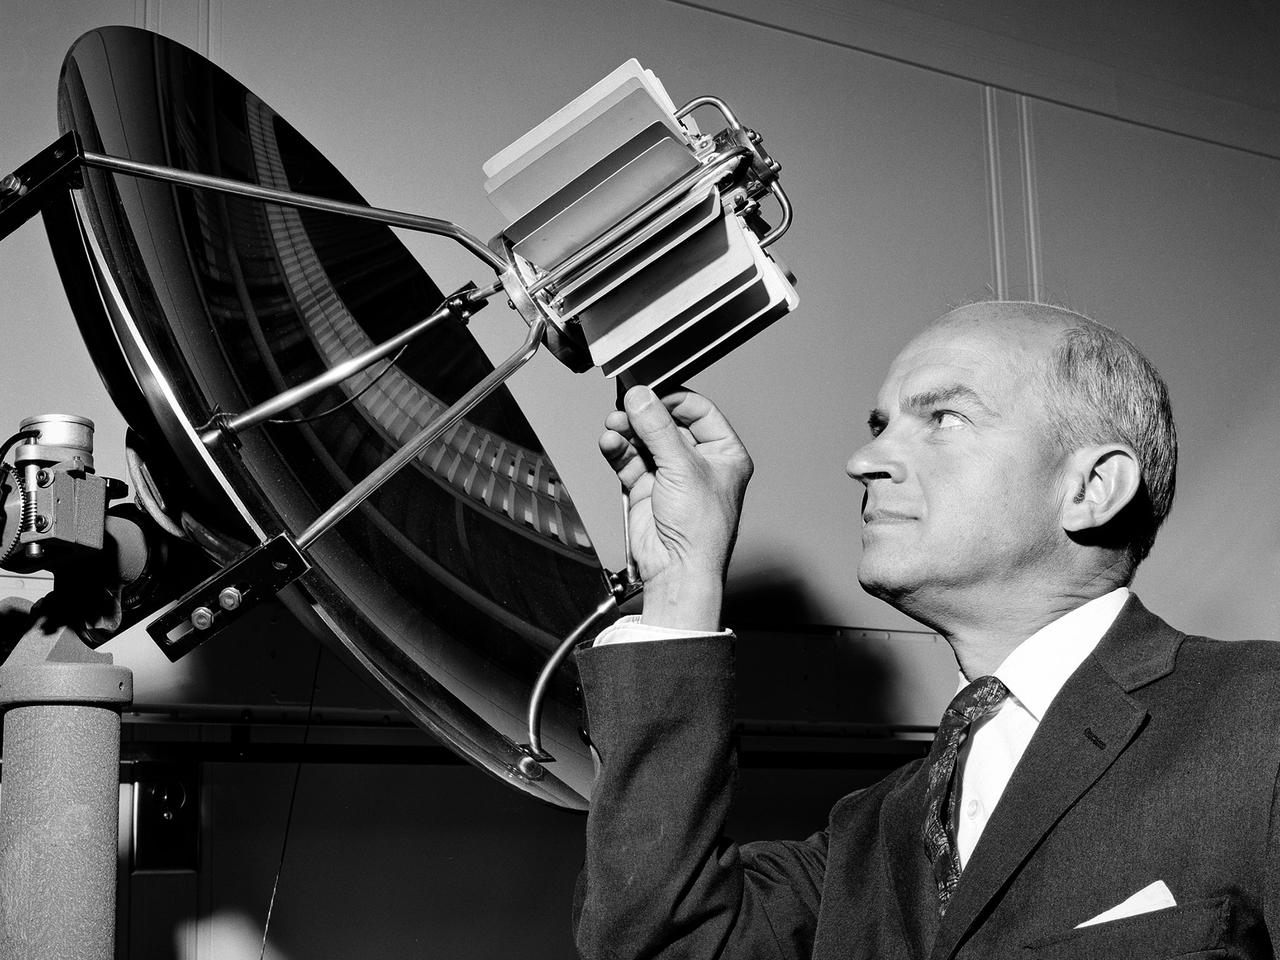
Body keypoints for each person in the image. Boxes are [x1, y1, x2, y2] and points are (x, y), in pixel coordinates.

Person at [572, 300, 1280, 959]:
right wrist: (680, 584)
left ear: (1090, 489)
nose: (861, 461)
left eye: (942, 418)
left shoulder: (1261, 719)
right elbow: (657, 941)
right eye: (880, 425)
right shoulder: (870, 836)